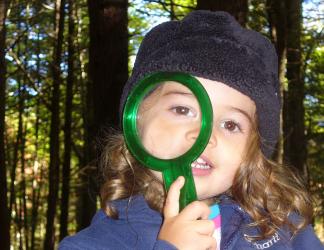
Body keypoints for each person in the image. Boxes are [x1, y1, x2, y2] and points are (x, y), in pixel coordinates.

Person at [59, 11, 324, 250]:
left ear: (252, 152)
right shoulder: (102, 241)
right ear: (137, 120)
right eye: (183, 110)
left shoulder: (286, 230)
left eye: (231, 125)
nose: (205, 136)